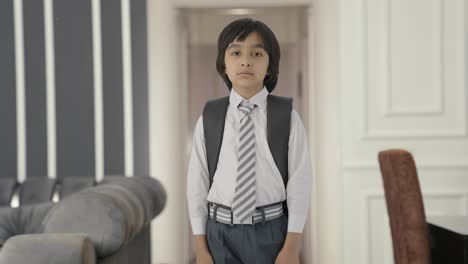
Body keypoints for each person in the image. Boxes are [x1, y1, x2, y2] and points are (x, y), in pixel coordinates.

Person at [186, 18, 312, 264]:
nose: (245, 60)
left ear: (270, 66)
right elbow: (196, 184)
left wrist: (291, 247)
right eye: (236, 52)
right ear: (224, 64)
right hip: (218, 234)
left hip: (271, 233)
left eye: (256, 53)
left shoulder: (287, 117)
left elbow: (300, 182)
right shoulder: (210, 117)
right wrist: (201, 249)